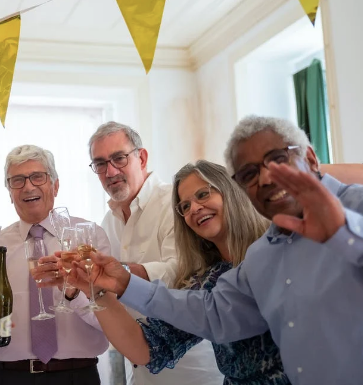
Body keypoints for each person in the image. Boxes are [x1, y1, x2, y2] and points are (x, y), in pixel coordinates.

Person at [78, 116, 363, 384]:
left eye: (277, 160)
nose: (265, 179)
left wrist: (342, 231)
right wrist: (120, 284)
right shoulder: (256, 260)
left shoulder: (352, 205)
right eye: (250, 174)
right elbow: (208, 314)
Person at [66, 160, 291, 384]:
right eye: (185, 206)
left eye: (203, 195)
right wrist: (98, 290)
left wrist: (126, 281)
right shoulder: (208, 280)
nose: (194, 208)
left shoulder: (280, 247)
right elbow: (146, 348)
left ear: (230, 192)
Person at [88, 121, 221, 385]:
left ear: (142, 157)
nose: (110, 171)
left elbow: (182, 273)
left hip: (193, 370)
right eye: (100, 164)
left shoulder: (177, 203)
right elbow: (107, 295)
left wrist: (122, 273)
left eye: (119, 158)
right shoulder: (107, 222)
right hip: (139, 371)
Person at [0, 145, 112, 385]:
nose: (28, 186)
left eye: (37, 177)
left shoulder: (88, 237)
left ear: (55, 186)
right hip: (10, 377)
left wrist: (73, 293)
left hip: (79, 376)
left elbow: (109, 318)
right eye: (17, 180)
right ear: (9, 192)